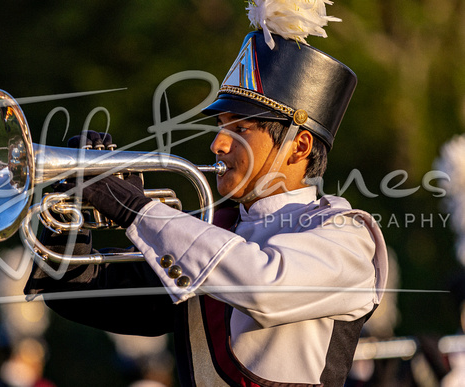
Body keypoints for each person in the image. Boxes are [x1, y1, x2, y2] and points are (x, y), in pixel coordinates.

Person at [25, 2, 388, 386]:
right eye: (220, 126)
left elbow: (263, 286)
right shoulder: (213, 234)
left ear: (299, 147)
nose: (217, 143)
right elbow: (77, 294)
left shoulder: (348, 236)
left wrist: (137, 209)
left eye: (240, 129)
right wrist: (73, 211)